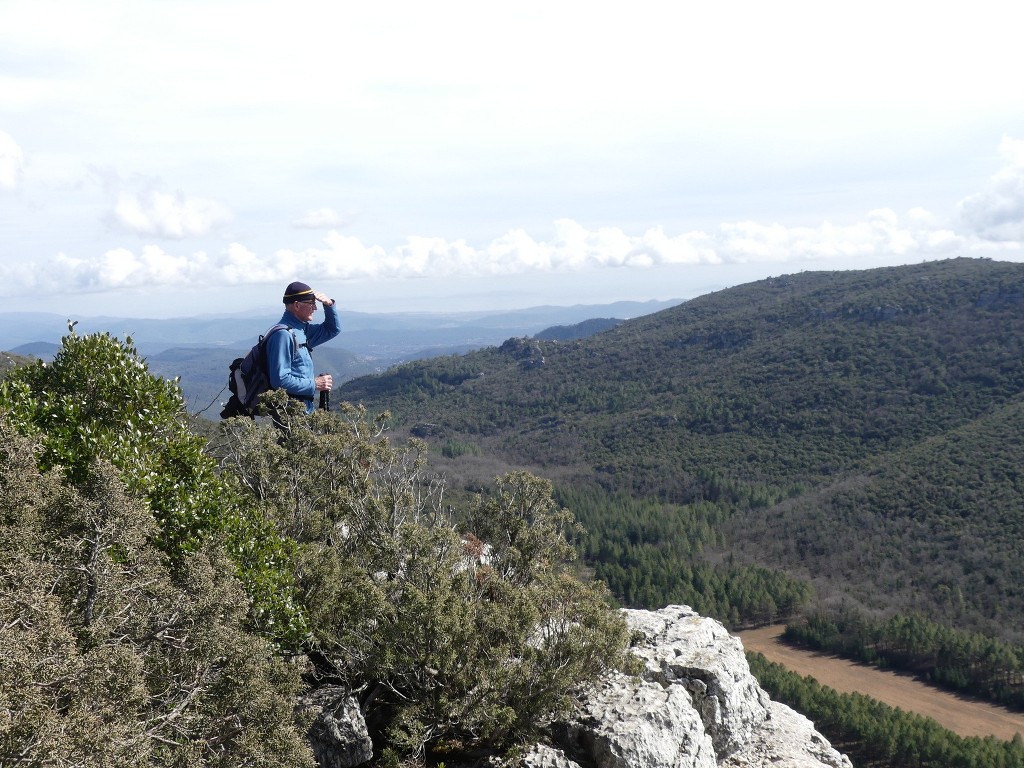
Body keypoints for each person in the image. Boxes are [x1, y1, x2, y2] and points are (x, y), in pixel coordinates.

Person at [267, 281, 341, 414]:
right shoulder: (283, 336)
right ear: (296, 305)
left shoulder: (301, 331)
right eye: (311, 304)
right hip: (290, 412)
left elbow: (332, 329)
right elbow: (280, 380)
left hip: (303, 409)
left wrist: (329, 306)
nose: (315, 308)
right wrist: (315, 383)